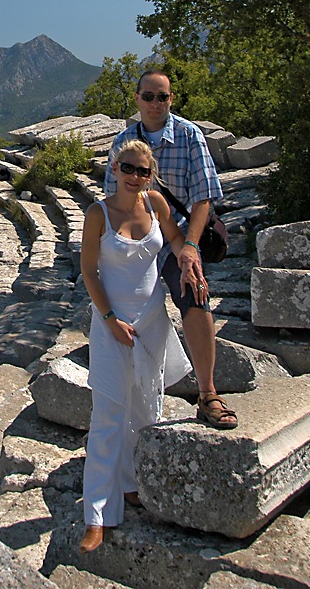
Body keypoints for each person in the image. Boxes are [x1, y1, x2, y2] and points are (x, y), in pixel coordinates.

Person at [105, 69, 238, 431]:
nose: (154, 104)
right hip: (140, 238)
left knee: (195, 294)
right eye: (148, 96)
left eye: (161, 97)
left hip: (178, 234)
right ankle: (128, 399)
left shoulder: (189, 135)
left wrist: (191, 247)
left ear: (171, 99)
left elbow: (203, 197)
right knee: (126, 308)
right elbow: (113, 201)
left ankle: (208, 394)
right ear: (137, 98)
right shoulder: (123, 143)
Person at [79, 140, 195, 553]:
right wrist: (110, 319)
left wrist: (187, 258)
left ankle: (132, 484)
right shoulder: (98, 214)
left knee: (147, 408)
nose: (134, 176)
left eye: (142, 171)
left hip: (151, 321)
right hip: (111, 322)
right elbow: (89, 271)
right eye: (127, 167)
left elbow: (176, 238)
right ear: (114, 167)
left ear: (150, 175)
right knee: (108, 414)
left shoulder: (156, 204)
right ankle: (96, 515)